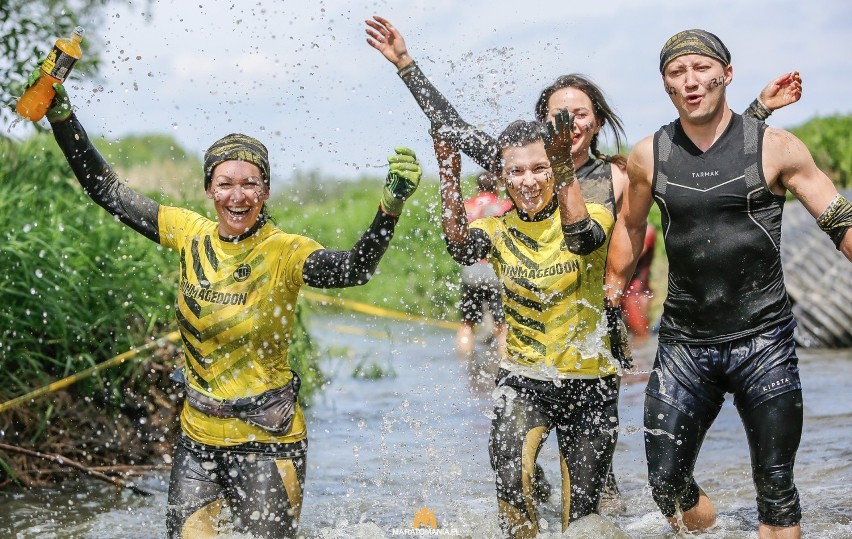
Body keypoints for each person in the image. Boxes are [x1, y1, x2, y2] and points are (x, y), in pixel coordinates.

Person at [364, 13, 802, 519]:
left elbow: (700, 163)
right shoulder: (524, 164)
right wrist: (405, 64)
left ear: (597, 121)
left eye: (581, 113)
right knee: (521, 472)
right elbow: (452, 128)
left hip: (594, 343)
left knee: (597, 497)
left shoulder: (620, 173)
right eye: (558, 114)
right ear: (541, 123)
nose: (569, 123)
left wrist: (755, 113)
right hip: (531, 343)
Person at [38, 80, 421, 538]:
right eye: (225, 184)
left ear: (266, 191)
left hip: (268, 441)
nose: (237, 196)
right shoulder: (187, 232)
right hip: (197, 439)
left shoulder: (285, 251)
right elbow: (106, 188)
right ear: (208, 189)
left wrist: (390, 209)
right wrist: (63, 120)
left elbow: (353, 269)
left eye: (249, 184)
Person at [604, 29, 852, 539]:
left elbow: (838, 219)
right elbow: (630, 226)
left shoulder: (777, 147)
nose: (691, 81)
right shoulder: (650, 153)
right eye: (677, 72)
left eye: (701, 68)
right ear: (666, 84)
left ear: (726, 74)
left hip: (764, 341)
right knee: (666, 483)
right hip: (684, 344)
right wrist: (612, 290)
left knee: (777, 489)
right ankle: (711, 532)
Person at [433, 109, 618, 536]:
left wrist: (564, 168)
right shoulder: (496, 229)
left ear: (554, 167)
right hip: (524, 378)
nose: (528, 181)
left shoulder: (594, 214)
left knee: (583, 522)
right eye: (516, 171)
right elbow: (460, 248)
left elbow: (582, 238)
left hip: (589, 381)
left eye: (539, 168)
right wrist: (448, 169)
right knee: (513, 502)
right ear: (502, 176)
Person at [456, 171, 514, 359]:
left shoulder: (466, 206)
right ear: (496, 187)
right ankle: (503, 364)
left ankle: (464, 363)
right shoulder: (504, 206)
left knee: (467, 323)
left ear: (477, 187)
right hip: (495, 271)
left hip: (470, 270)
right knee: (501, 324)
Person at [621, 223, 657, 338]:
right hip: (619, 292)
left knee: (640, 340)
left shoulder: (647, 231)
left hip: (635, 294)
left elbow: (630, 258)